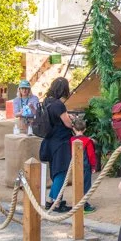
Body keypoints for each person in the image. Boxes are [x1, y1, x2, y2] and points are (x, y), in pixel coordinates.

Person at [38, 77, 75, 212]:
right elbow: (68, 123)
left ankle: (55, 199)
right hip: (61, 142)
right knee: (61, 172)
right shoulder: (59, 105)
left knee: (55, 171)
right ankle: (54, 201)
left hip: (50, 141)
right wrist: (74, 121)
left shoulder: (47, 102)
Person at [70, 116, 98, 213]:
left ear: (74, 129)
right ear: (85, 129)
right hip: (85, 166)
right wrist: (93, 166)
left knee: (77, 184)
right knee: (86, 185)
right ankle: (84, 205)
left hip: (74, 165)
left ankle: (77, 202)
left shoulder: (71, 140)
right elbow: (91, 155)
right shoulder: (88, 141)